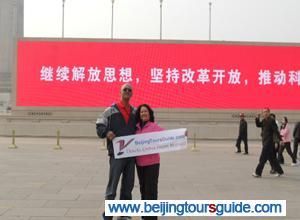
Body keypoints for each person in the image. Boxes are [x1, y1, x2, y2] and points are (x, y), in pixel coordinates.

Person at [96, 83, 136, 220]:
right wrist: (106, 132)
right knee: (112, 185)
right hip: (116, 154)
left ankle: (124, 213)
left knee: (128, 185)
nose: (127, 91)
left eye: (129, 90)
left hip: (131, 155)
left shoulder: (135, 112)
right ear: (120, 92)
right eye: (125, 89)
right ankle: (108, 214)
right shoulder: (110, 110)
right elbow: (100, 124)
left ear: (132, 94)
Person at [135, 104, 163, 220]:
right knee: (143, 189)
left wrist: (180, 136)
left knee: (151, 190)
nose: (143, 113)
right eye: (141, 112)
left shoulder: (154, 126)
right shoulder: (136, 128)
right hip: (140, 163)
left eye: (145, 111)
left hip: (152, 163)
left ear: (150, 114)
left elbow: (168, 137)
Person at [252, 108, 284, 178]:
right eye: (264, 112)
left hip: (269, 143)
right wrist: (257, 118)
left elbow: (276, 131)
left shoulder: (271, 120)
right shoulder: (264, 120)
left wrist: (280, 140)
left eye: (266, 112)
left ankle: (258, 173)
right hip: (265, 141)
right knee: (273, 159)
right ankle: (280, 171)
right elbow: (258, 125)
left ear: (269, 113)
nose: (265, 113)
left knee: (262, 158)